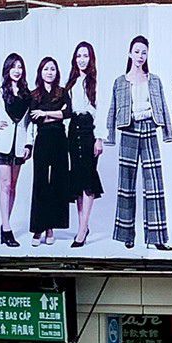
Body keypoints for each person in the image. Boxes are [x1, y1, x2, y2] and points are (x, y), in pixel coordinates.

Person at [104, 35, 172, 252]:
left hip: (150, 128)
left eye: (144, 52)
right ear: (130, 54)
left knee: (154, 185)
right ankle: (127, 235)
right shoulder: (120, 81)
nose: (140, 56)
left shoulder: (154, 80)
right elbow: (112, 109)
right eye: (137, 52)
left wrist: (167, 133)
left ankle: (157, 237)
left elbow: (162, 105)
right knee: (126, 185)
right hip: (129, 129)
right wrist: (110, 136)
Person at [0, 51, 35, 249]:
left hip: (19, 145)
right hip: (2, 143)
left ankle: (5, 225)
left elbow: (29, 123)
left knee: (13, 186)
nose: (17, 71)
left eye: (20, 67)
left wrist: (29, 143)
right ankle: (7, 228)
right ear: (7, 68)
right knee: (5, 185)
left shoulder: (28, 93)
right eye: (13, 66)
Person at [26, 56, 73, 246]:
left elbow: (68, 113)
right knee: (40, 183)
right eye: (46, 69)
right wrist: (56, 114)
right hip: (43, 140)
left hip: (61, 140)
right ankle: (38, 229)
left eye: (52, 69)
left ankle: (51, 227)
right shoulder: (34, 94)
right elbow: (33, 118)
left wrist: (45, 113)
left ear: (57, 72)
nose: (49, 72)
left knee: (57, 183)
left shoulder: (62, 92)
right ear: (40, 72)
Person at [64, 40, 104, 248]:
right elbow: (65, 110)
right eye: (79, 56)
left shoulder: (95, 81)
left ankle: (82, 229)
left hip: (89, 129)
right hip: (73, 130)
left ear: (91, 58)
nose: (82, 59)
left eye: (85, 56)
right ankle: (83, 226)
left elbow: (101, 110)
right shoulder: (70, 82)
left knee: (88, 178)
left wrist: (99, 138)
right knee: (78, 180)